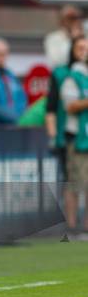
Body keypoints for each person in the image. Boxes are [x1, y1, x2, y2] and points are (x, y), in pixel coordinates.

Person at [58, 58, 88, 238]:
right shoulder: (73, 77)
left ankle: (86, 228)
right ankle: (71, 227)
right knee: (75, 182)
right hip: (78, 137)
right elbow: (70, 106)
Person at [0, 38, 27, 124]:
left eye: (3, 54)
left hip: (16, 126)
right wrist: (16, 118)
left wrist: (22, 116)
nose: (0, 58)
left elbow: (22, 99)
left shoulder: (11, 76)